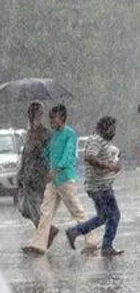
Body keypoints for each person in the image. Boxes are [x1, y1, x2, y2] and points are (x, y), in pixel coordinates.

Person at [22, 104, 100, 256]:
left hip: (65, 179)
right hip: (53, 181)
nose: (51, 121)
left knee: (76, 210)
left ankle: (92, 240)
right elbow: (47, 152)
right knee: (45, 212)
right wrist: (40, 150)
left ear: (62, 118)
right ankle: (38, 245)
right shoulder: (54, 135)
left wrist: (57, 169)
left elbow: (68, 155)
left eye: (54, 118)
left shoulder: (69, 134)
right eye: (50, 119)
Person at [65, 116, 124, 257]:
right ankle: (106, 246)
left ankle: (76, 232)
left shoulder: (102, 141)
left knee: (105, 216)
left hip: (102, 186)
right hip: (99, 188)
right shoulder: (97, 140)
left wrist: (114, 161)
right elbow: (89, 157)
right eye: (112, 128)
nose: (114, 131)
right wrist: (109, 166)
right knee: (113, 216)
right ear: (105, 127)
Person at [15, 102, 58, 247]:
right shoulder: (29, 133)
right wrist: (20, 171)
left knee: (35, 206)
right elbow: (25, 153)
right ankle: (46, 232)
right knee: (25, 208)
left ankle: (44, 235)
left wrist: (39, 147)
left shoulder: (45, 133)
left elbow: (50, 153)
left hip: (39, 174)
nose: (34, 117)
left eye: (37, 114)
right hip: (28, 174)